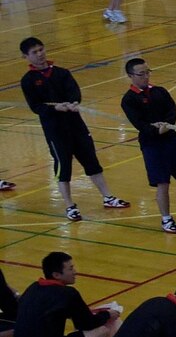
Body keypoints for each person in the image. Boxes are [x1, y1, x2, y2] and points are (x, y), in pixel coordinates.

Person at [21, 37, 128, 221]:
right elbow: (35, 106)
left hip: (76, 126)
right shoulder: (28, 80)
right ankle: (70, 206)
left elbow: (75, 92)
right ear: (26, 57)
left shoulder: (62, 73)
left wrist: (72, 103)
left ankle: (108, 197)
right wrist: (55, 108)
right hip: (55, 131)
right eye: (34, 52)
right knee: (63, 167)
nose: (40, 54)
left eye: (41, 49)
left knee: (91, 161)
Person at [119, 57, 176, 234]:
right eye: (141, 74)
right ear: (130, 76)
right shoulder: (128, 100)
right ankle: (166, 219)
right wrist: (156, 131)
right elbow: (139, 124)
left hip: (171, 138)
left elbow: (171, 110)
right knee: (163, 183)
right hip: (152, 144)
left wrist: (167, 125)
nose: (146, 76)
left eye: (148, 72)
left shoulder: (160, 91)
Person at [9, 251, 120, 337]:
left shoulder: (32, 288)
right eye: (70, 268)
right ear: (56, 275)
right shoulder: (68, 294)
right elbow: (87, 324)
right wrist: (108, 314)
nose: (75, 272)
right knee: (103, 333)